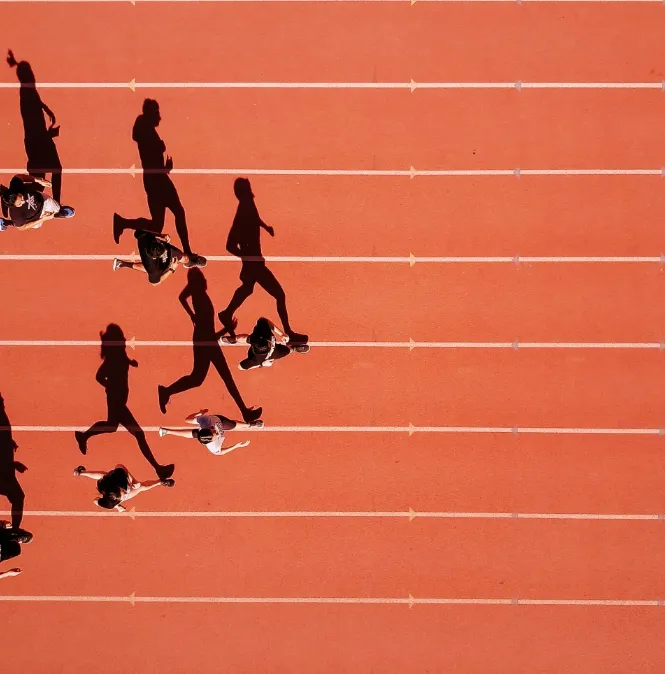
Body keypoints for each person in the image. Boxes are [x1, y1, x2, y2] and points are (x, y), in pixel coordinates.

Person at [157, 269, 262, 423]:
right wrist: (226, 329)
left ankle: (166, 391)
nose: (206, 281)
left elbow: (182, 297)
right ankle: (166, 391)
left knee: (200, 378)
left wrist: (192, 315)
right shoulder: (199, 297)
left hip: (205, 340)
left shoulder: (199, 296)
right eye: (203, 279)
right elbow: (209, 336)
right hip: (204, 341)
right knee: (214, 378)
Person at [112, 99, 206, 268]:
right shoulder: (145, 129)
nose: (159, 117)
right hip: (157, 180)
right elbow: (150, 152)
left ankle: (123, 222)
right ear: (150, 113)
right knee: (176, 212)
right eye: (156, 113)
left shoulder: (144, 128)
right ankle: (187, 254)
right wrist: (162, 157)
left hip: (155, 178)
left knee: (159, 223)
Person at [75, 324, 174, 480]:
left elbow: (122, 361)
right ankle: (158, 469)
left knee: (112, 427)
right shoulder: (111, 359)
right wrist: (111, 386)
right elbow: (99, 377)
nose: (123, 340)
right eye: (121, 338)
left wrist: (130, 362)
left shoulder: (120, 355)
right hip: (116, 401)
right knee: (138, 434)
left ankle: (84, 436)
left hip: (119, 399)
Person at [217, 178, 307, 344]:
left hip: (254, 263)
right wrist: (247, 258)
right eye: (248, 188)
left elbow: (255, 219)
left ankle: (227, 313)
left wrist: (265, 227)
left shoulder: (249, 206)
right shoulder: (243, 210)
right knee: (279, 294)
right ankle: (288, 334)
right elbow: (230, 245)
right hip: (255, 264)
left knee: (247, 289)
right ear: (243, 192)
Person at [159, 409, 262, 456]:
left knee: (233, 424)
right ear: (211, 441)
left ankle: (249, 425)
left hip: (219, 420)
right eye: (215, 435)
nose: (217, 433)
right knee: (194, 434)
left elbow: (187, 420)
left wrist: (198, 414)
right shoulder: (213, 447)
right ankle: (166, 431)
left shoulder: (205, 421)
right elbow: (220, 452)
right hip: (210, 430)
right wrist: (236, 446)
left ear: (206, 429)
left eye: (213, 432)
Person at [74, 464, 174, 512]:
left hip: (112, 481)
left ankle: (81, 472)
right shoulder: (109, 504)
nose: (125, 493)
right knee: (141, 488)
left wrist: (133, 481)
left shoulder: (118, 477)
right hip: (107, 487)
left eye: (123, 491)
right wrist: (116, 506)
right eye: (122, 495)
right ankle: (159, 482)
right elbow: (95, 501)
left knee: (104, 475)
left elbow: (120, 466)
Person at [222, 317, 309, 371]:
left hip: (262, 355)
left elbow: (264, 320)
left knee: (246, 338)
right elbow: (240, 367)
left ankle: (234, 339)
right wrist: (262, 365)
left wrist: (282, 334)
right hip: (271, 355)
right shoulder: (257, 358)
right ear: (269, 343)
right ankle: (294, 349)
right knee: (287, 350)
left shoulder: (260, 337)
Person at [113, 230, 192, 285]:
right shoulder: (153, 269)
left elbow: (138, 232)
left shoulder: (145, 238)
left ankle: (121, 263)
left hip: (148, 252)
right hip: (154, 265)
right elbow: (156, 283)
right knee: (156, 271)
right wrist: (172, 269)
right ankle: (122, 264)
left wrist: (161, 235)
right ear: (158, 257)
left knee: (184, 257)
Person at [0, 175, 74, 231]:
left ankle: (58, 212)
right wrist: (43, 219)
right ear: (13, 206)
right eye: (20, 204)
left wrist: (39, 180)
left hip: (42, 199)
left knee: (57, 208)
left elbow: (19, 177)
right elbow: (22, 227)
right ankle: (7, 222)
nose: (24, 201)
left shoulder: (15, 186)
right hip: (36, 218)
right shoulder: (15, 214)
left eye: (21, 198)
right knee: (29, 224)